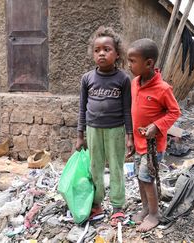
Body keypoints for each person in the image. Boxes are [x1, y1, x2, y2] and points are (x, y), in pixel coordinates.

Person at [76, 26, 134, 226]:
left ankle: (118, 206)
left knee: (116, 168)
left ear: (117, 54)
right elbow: (82, 108)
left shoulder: (123, 79)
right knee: (95, 168)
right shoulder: (87, 78)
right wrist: (79, 135)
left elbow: (128, 110)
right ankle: (97, 203)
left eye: (107, 49)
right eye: (97, 50)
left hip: (116, 130)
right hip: (93, 129)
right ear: (93, 53)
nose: (101, 53)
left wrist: (129, 135)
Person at [127, 38, 181, 232]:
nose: (129, 65)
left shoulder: (163, 89)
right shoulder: (134, 83)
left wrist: (157, 126)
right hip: (139, 142)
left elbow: (174, 112)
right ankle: (145, 209)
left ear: (149, 63)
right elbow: (134, 111)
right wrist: (130, 138)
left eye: (132, 61)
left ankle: (154, 214)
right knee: (140, 179)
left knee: (147, 178)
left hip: (153, 145)